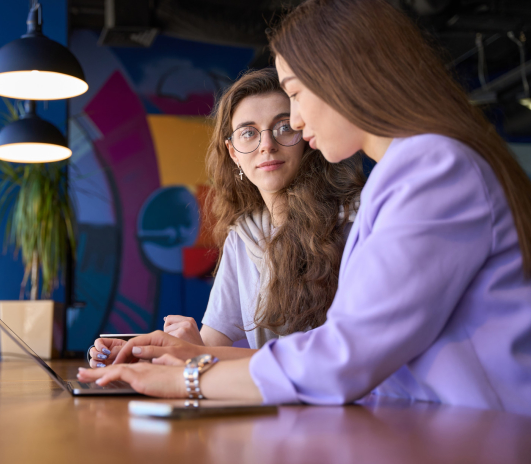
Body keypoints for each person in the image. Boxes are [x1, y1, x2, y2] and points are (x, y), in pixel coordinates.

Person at [78, 0, 531, 415]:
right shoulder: (407, 173)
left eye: (294, 93)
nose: (293, 120)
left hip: (477, 434)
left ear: (343, 75)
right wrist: (185, 357)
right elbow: (339, 350)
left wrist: (190, 376)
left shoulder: (434, 170)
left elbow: (343, 358)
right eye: (251, 133)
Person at [86, 68, 364, 368]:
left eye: (283, 127)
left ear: (305, 134)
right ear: (233, 153)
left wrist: (198, 354)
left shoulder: (353, 221)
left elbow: (336, 361)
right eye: (248, 132)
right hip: (270, 404)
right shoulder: (244, 237)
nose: (266, 145)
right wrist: (138, 354)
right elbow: (207, 349)